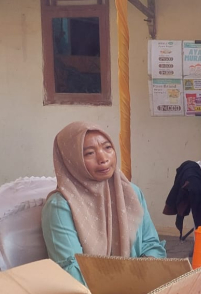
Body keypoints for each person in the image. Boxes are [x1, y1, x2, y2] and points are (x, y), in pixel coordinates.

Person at [41, 122, 166, 285]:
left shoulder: (132, 193)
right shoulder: (60, 206)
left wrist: (143, 277)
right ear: (72, 160)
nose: (103, 158)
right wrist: (122, 289)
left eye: (107, 147)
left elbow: (151, 245)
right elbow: (72, 272)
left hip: (138, 287)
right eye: (89, 153)